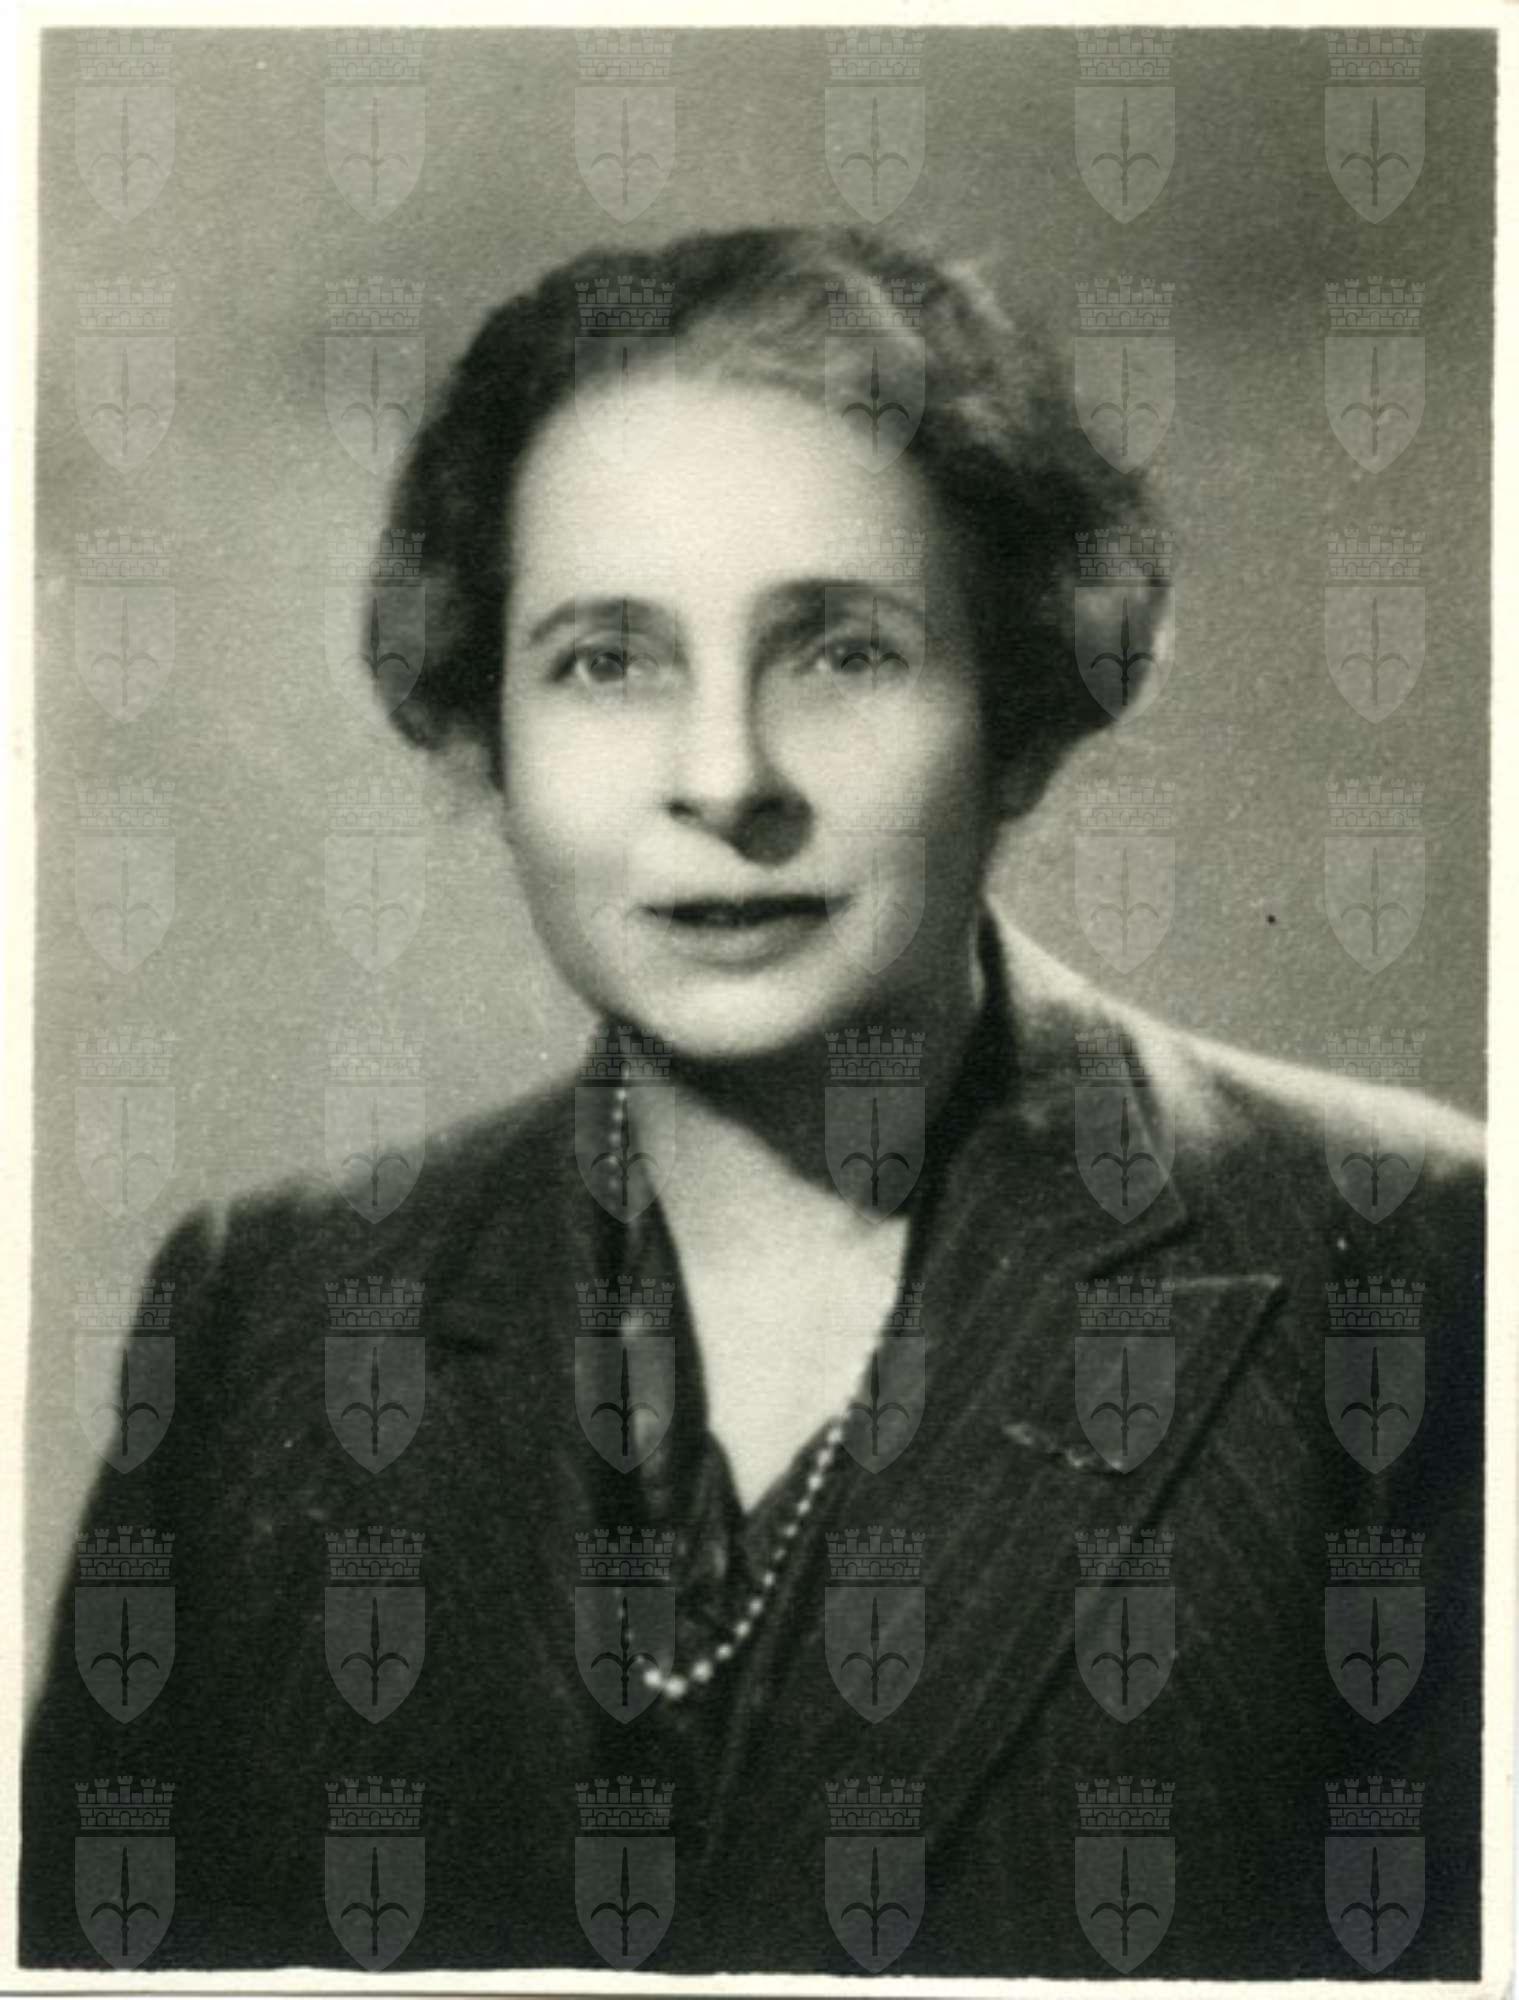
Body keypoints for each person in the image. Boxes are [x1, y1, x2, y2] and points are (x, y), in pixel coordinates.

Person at [22, 226, 1484, 1977]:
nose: (724, 777)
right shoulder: (271, 1315)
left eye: (844, 652)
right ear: (487, 731)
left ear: (1022, 714)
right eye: (606, 661)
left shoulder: (1414, 1262)